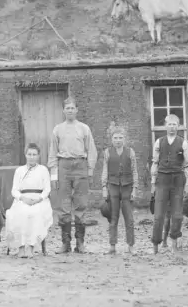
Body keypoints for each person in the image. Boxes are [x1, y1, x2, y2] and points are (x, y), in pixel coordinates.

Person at [47, 97, 97, 254]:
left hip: (80, 165)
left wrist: (89, 170)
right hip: (64, 166)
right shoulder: (57, 129)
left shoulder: (84, 128)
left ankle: (80, 243)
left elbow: (92, 151)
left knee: (81, 204)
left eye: (72, 108)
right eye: (67, 108)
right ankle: (65, 243)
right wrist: (54, 176)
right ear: (63, 111)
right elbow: (52, 153)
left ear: (77, 110)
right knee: (64, 205)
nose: (70, 110)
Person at [150, 114, 188, 254]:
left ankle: (174, 243)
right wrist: (152, 182)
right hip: (162, 180)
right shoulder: (159, 142)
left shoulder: (183, 142)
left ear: (178, 126)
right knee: (158, 215)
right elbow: (155, 163)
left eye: (175, 124)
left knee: (177, 214)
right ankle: (156, 245)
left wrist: (187, 184)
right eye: (169, 124)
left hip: (177, 180)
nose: (172, 127)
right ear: (165, 126)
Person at [3, 143, 53, 258]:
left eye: (34, 154)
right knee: (18, 213)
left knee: (34, 213)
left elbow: (47, 189)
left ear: (38, 156)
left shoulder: (43, 170)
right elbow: (14, 190)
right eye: (29, 154)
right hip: (22, 199)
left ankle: (31, 247)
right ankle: (20, 247)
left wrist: (38, 199)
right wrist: (23, 198)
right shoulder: (19, 170)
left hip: (39, 200)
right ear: (25, 155)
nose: (32, 157)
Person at [100, 127, 139, 255]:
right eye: (115, 138)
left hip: (127, 187)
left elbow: (134, 171)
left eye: (120, 138)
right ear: (111, 139)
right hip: (113, 186)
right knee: (113, 217)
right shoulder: (107, 152)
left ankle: (131, 245)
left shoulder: (130, 152)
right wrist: (104, 188)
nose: (118, 140)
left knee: (129, 218)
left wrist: (135, 189)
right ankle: (112, 245)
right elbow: (105, 170)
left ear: (124, 139)